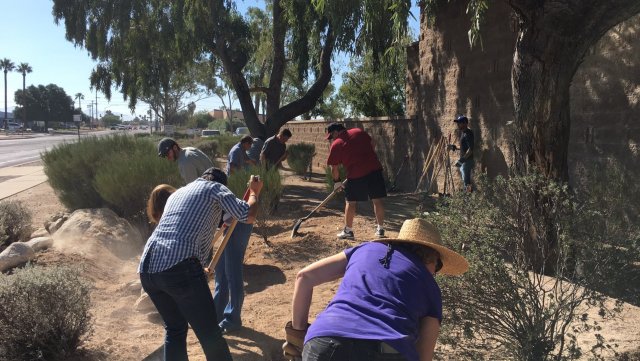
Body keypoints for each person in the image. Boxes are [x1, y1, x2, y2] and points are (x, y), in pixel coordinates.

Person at [282, 218, 469, 361]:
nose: (435, 273)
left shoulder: (364, 250)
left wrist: (298, 335)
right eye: (437, 266)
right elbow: (424, 354)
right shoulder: (430, 286)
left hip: (325, 341)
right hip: (386, 350)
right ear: (431, 258)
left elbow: (304, 277)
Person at [138, 167, 263, 361]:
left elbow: (184, 232)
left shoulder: (179, 192)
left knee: (175, 328)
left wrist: (196, 270)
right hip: (178, 267)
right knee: (210, 334)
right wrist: (254, 191)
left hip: (147, 269)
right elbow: (248, 215)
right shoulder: (216, 189)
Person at [325, 123, 386, 239]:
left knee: (351, 202)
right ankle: (380, 229)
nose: (332, 138)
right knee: (377, 200)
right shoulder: (359, 132)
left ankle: (348, 231)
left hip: (356, 174)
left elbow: (334, 167)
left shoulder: (337, 143)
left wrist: (337, 182)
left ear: (335, 132)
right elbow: (373, 143)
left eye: (331, 136)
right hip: (375, 170)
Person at [448, 115, 474, 192]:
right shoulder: (463, 133)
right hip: (465, 161)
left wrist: (461, 160)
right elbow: (464, 148)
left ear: (465, 123)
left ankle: (469, 198)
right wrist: (454, 147)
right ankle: (468, 197)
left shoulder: (468, 134)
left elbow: (470, 149)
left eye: (460, 123)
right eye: (458, 123)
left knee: (467, 182)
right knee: (465, 181)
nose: (458, 124)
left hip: (467, 161)